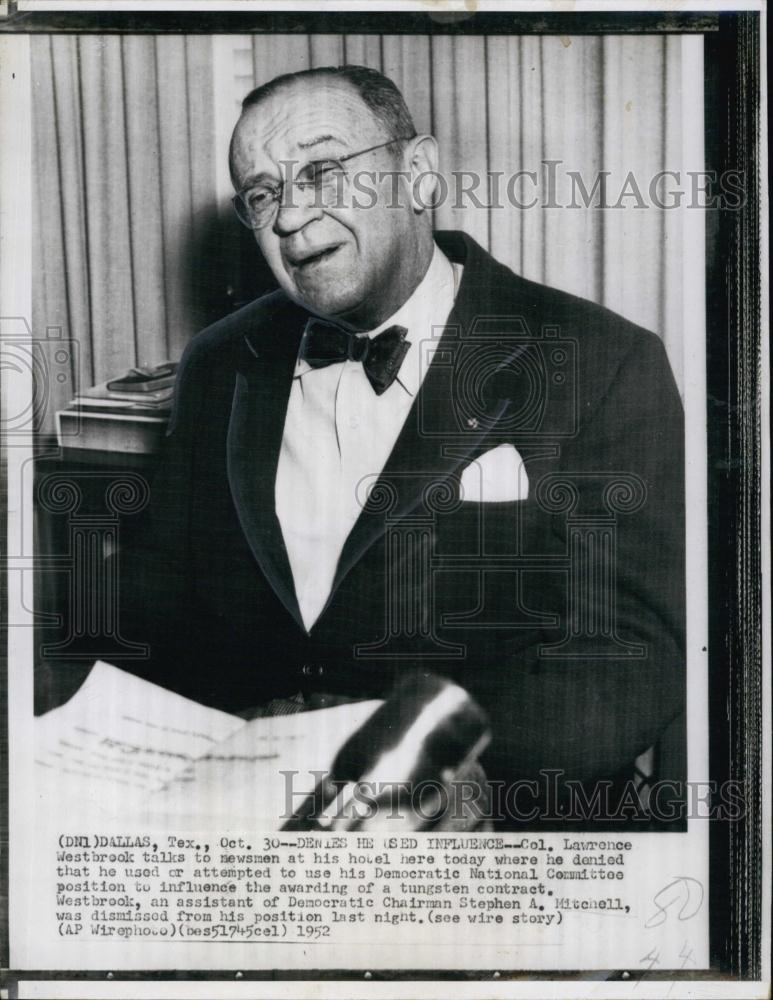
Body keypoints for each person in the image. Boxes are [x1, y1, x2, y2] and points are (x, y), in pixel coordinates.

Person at [115, 65, 685, 826]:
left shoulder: (599, 360)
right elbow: (160, 610)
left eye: (322, 171)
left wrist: (477, 772)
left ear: (417, 174)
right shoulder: (221, 362)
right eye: (262, 193)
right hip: (262, 814)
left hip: (495, 825)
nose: (289, 218)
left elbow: (627, 651)